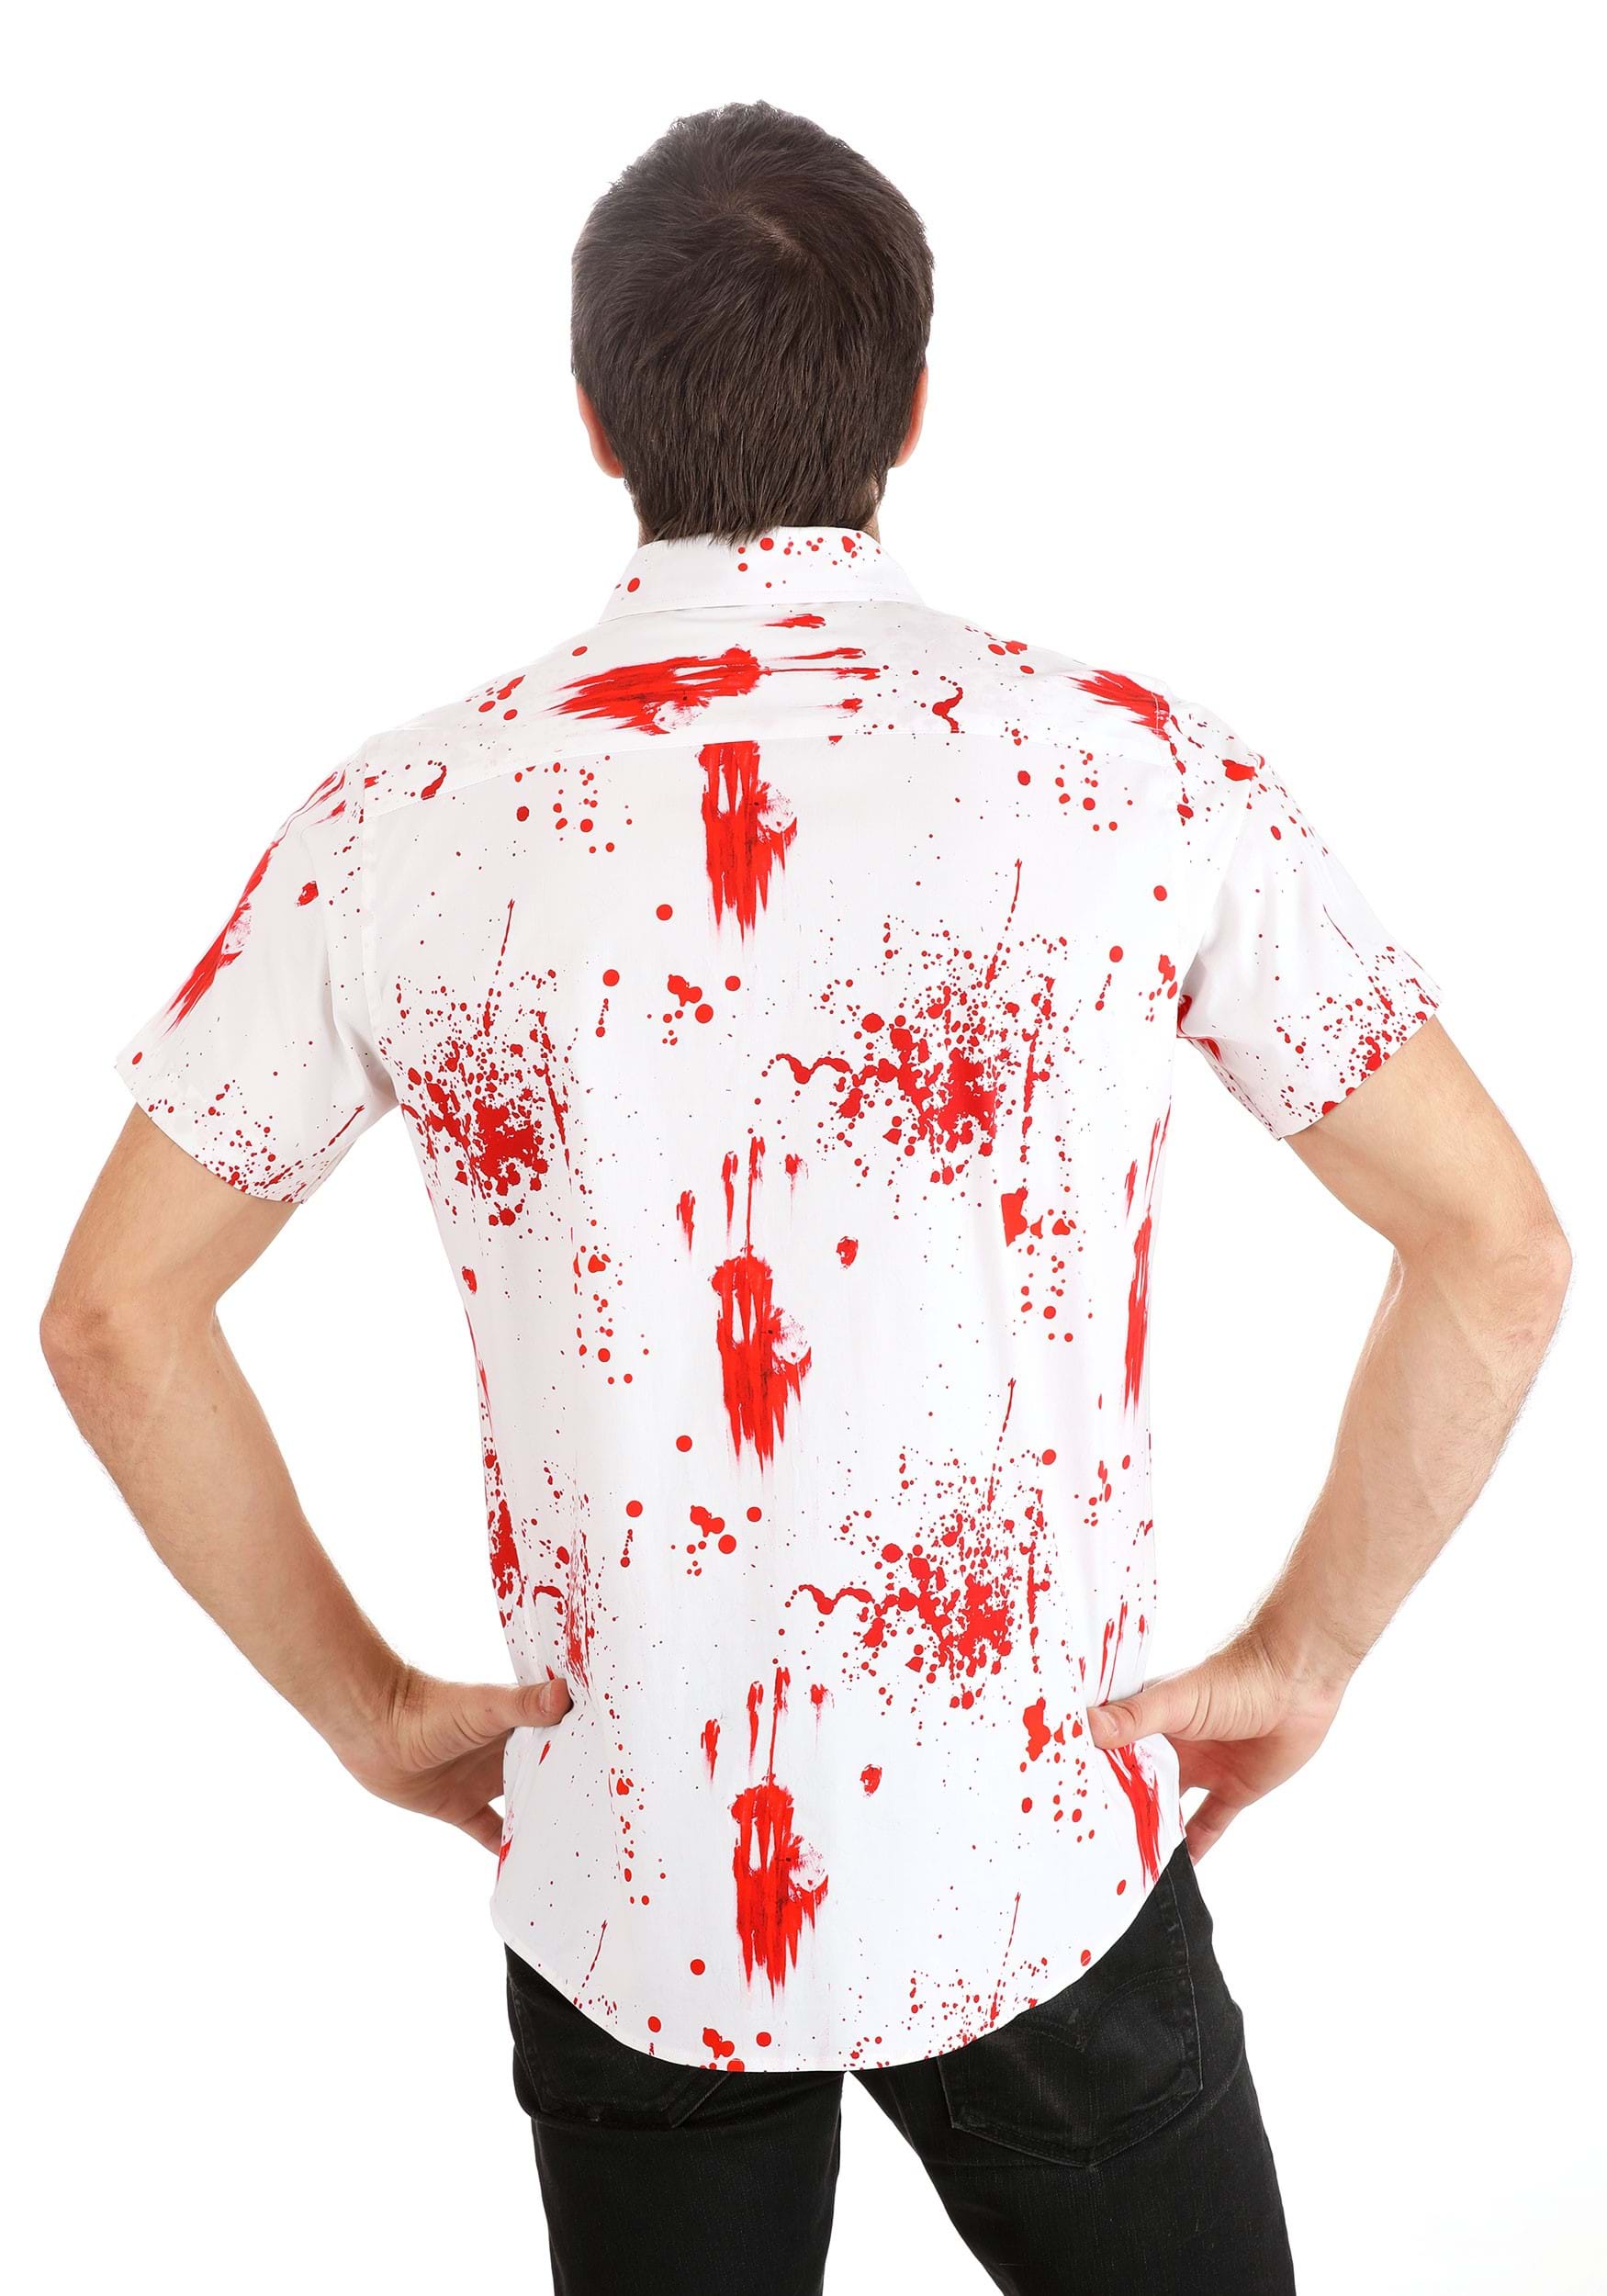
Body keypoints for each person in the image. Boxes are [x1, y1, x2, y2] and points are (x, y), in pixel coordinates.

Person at [41, 99, 1569, 2296]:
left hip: (627, 1857)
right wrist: (1300, 1656)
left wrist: (366, 1709)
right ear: (909, 408)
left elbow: (112, 1315)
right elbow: (1494, 1246)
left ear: (594, 419)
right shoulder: (1139, 772)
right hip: (1035, 1841)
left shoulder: (399, 820)